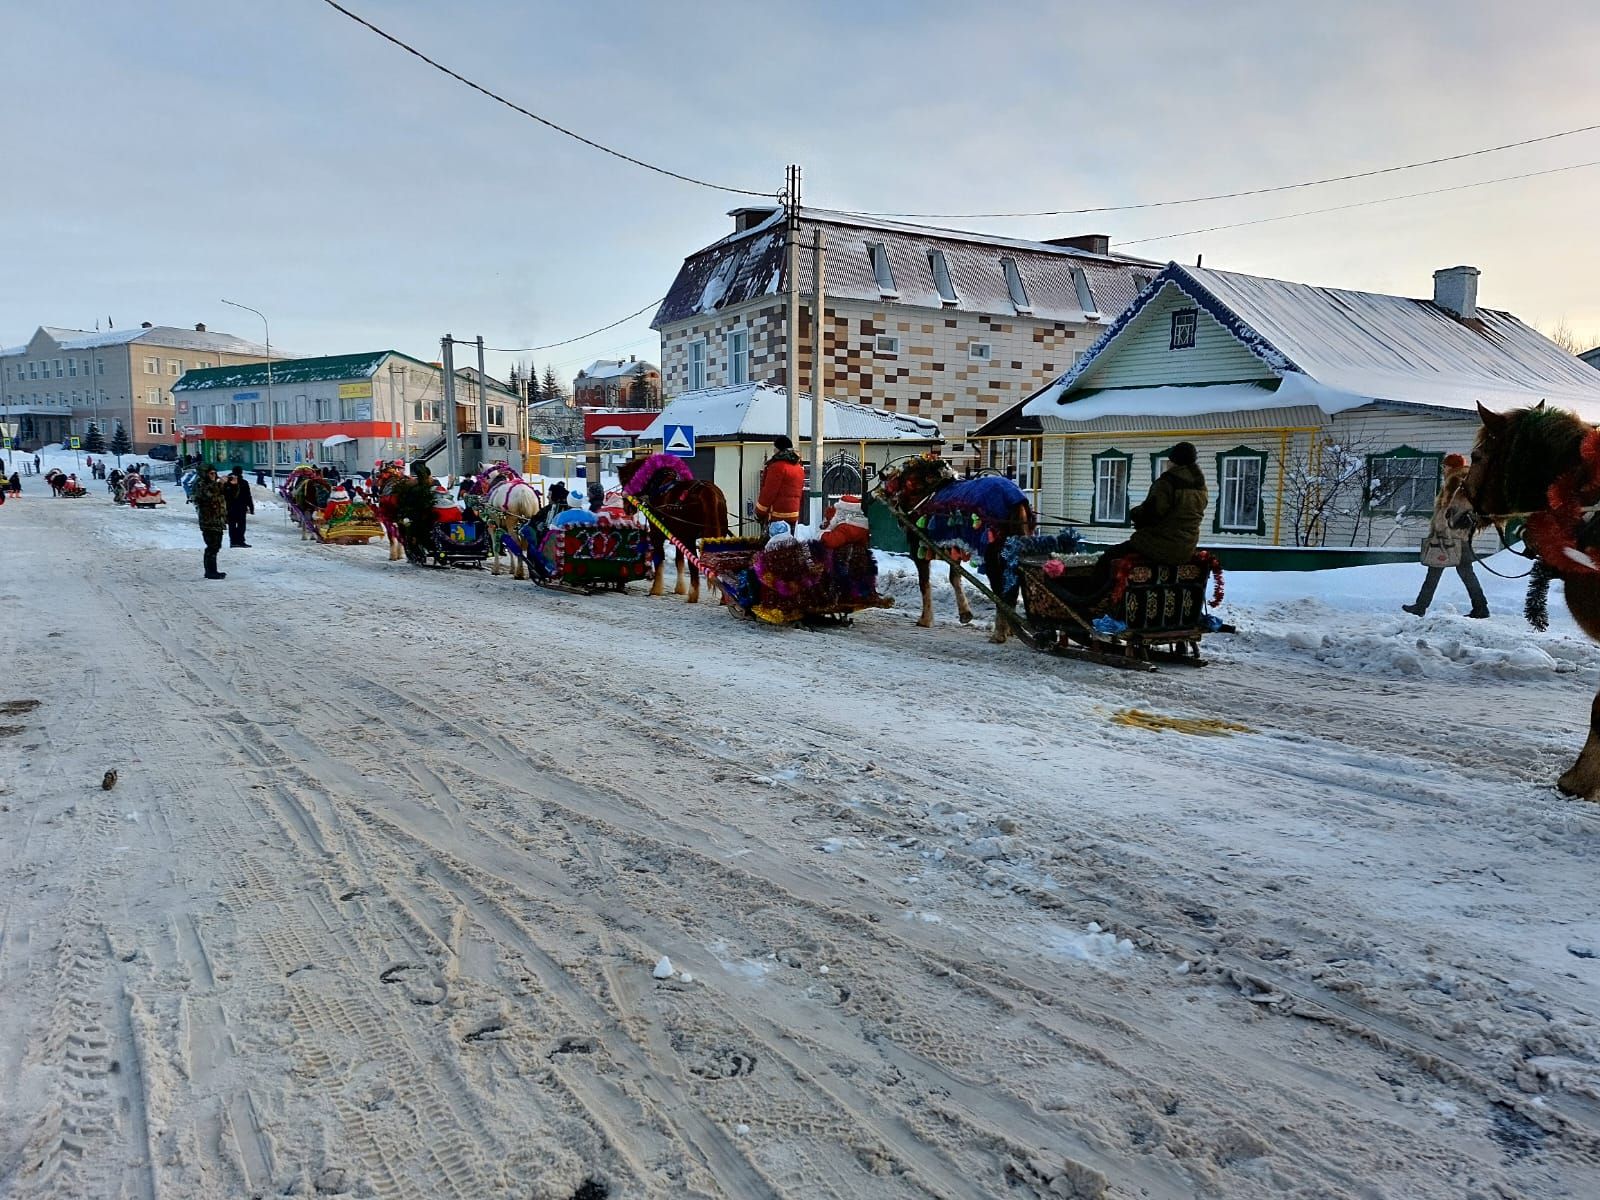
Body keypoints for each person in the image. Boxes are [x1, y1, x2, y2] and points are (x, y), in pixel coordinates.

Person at [1403, 453, 1488, 619]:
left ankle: (1421, 606)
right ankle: (1480, 607)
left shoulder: (1456, 481)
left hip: (1450, 535)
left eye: (1445, 466)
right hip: (1458, 536)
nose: (1443, 469)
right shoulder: (1465, 480)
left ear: (1450, 466)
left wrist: (1441, 528)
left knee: (1449, 572)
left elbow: (1452, 510)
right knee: (1459, 572)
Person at [756, 434, 805, 531]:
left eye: (775, 448)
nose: (773, 451)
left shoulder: (777, 467)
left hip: (778, 515)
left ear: (779, 449)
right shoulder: (798, 467)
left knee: (774, 544)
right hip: (794, 514)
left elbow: (769, 492)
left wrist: (759, 512)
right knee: (790, 543)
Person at [193, 464, 228, 580]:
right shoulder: (201, 484)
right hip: (208, 520)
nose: (214, 476)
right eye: (211, 474)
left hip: (217, 519)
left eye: (214, 473)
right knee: (212, 546)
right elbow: (210, 497)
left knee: (216, 545)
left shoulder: (212, 484)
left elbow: (223, 496)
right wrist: (218, 484)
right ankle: (210, 571)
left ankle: (212, 570)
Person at [223, 465, 255, 547]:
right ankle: (240, 541)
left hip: (230, 507)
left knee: (232, 525)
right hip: (241, 507)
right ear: (241, 472)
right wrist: (251, 507)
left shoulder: (227, 482)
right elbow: (248, 496)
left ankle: (233, 541)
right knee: (241, 525)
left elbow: (223, 495)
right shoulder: (243, 482)